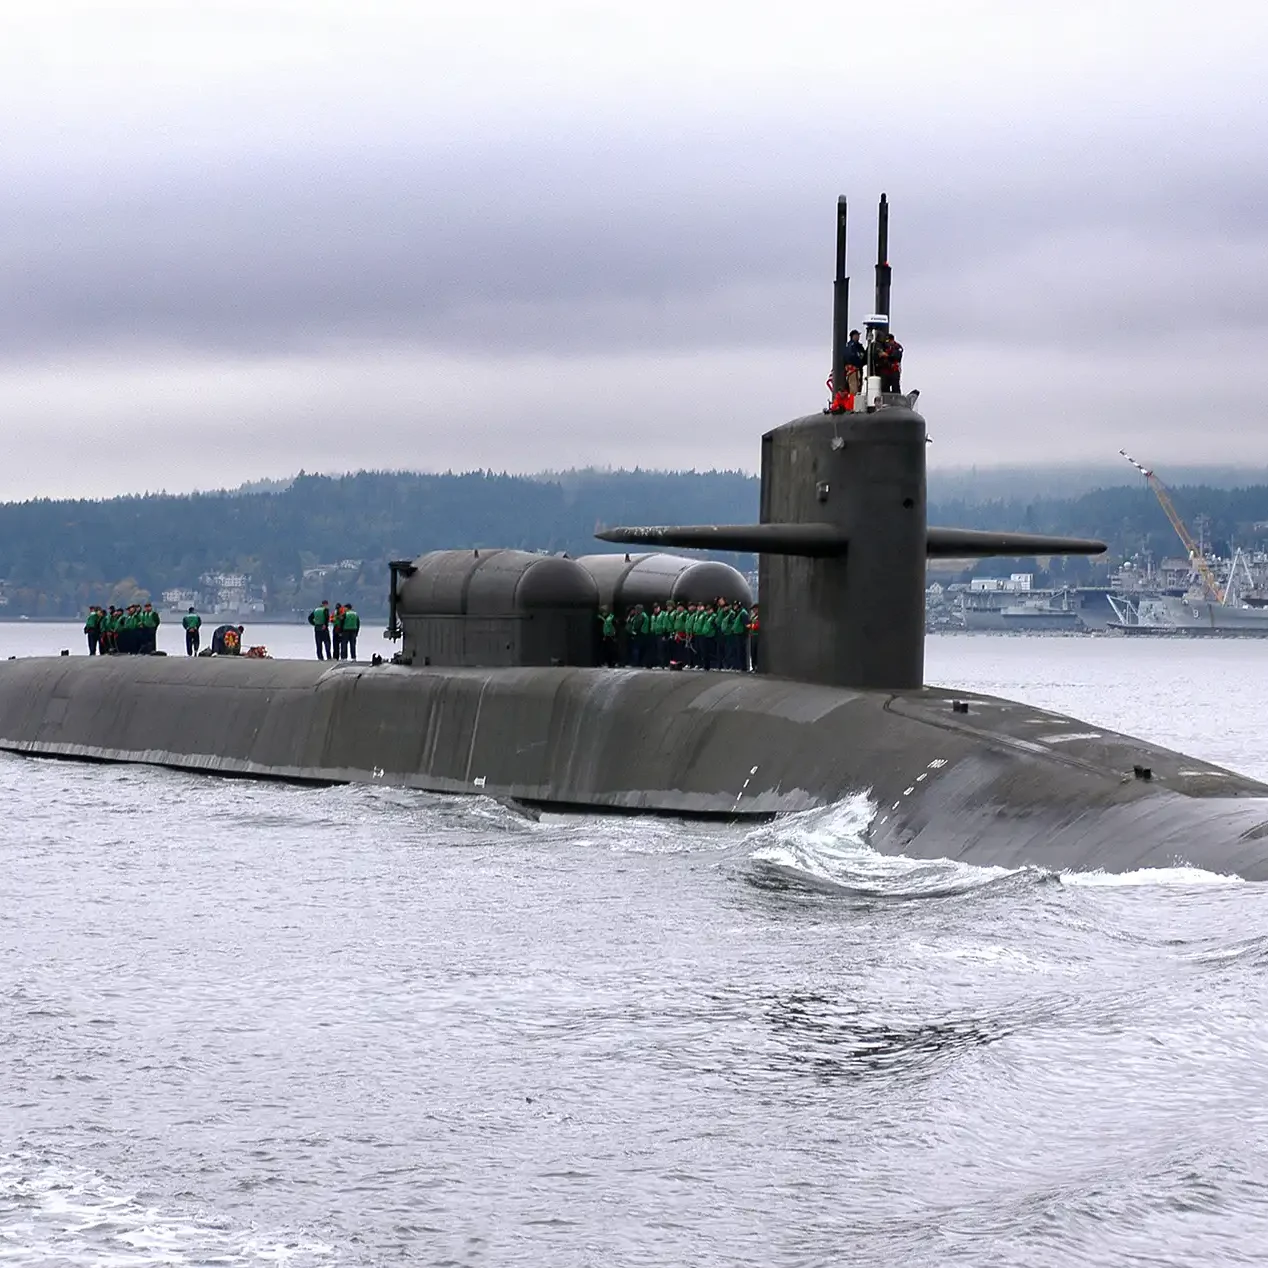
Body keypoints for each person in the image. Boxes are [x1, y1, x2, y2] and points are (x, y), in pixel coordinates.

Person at [843, 329, 867, 394]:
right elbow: (850, 358)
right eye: (857, 335)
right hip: (852, 370)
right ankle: (853, 401)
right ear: (853, 336)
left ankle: (856, 400)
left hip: (859, 369)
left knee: (859, 386)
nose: (858, 337)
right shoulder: (850, 346)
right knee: (854, 388)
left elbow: (864, 357)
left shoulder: (859, 346)